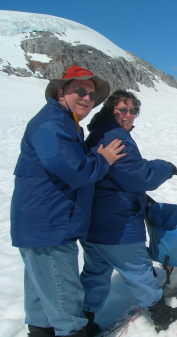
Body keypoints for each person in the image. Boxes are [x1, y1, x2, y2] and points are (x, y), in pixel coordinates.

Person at [10, 65, 126, 337]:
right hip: (49, 226)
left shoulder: (63, 122)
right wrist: (103, 159)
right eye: (80, 90)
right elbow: (75, 172)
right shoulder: (52, 124)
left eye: (92, 95)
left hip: (39, 225)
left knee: (42, 295)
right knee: (65, 298)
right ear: (62, 92)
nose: (87, 98)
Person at [80, 90, 177, 332]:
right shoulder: (115, 138)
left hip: (94, 222)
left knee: (96, 272)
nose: (129, 115)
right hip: (117, 223)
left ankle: (84, 319)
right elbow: (139, 175)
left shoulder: (99, 133)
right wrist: (165, 167)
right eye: (123, 109)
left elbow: (117, 176)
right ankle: (162, 315)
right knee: (137, 268)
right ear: (111, 110)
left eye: (133, 110)